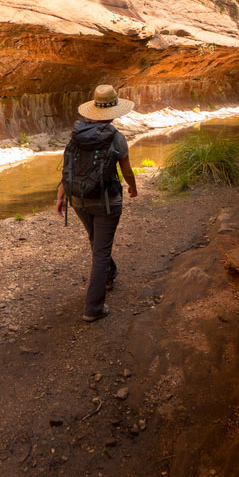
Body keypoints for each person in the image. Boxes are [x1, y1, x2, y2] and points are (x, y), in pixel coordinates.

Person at [56, 85, 138, 322]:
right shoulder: (117, 137)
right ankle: (93, 308)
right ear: (113, 111)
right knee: (100, 251)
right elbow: (127, 170)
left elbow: (68, 167)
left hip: (79, 200)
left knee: (97, 242)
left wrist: (61, 194)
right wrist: (132, 187)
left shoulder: (76, 135)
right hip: (107, 202)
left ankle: (110, 274)